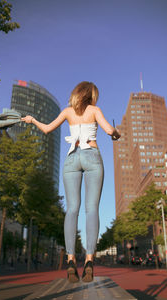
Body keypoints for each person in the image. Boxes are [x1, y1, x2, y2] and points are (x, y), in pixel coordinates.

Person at [21, 81, 120, 283]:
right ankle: (90, 261)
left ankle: (70, 260)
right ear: (91, 95)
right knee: (92, 209)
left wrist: (32, 120)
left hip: (72, 158)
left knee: (72, 209)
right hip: (92, 156)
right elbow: (110, 131)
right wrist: (117, 134)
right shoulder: (94, 109)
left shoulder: (67, 112)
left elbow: (47, 129)